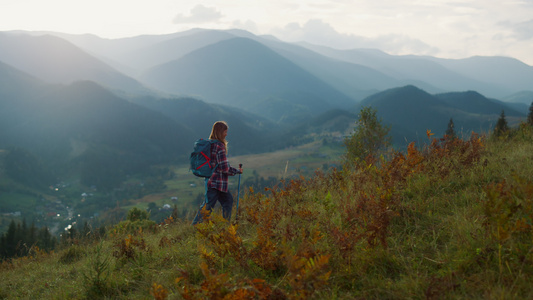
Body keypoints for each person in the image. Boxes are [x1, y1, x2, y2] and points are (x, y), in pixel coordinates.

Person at [192, 121, 243, 225]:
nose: (226, 134)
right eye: (225, 131)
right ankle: (194, 226)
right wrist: (237, 171)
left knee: (227, 201)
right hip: (216, 182)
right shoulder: (219, 146)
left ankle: (224, 226)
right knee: (208, 206)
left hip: (212, 181)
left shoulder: (210, 144)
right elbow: (225, 168)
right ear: (220, 132)